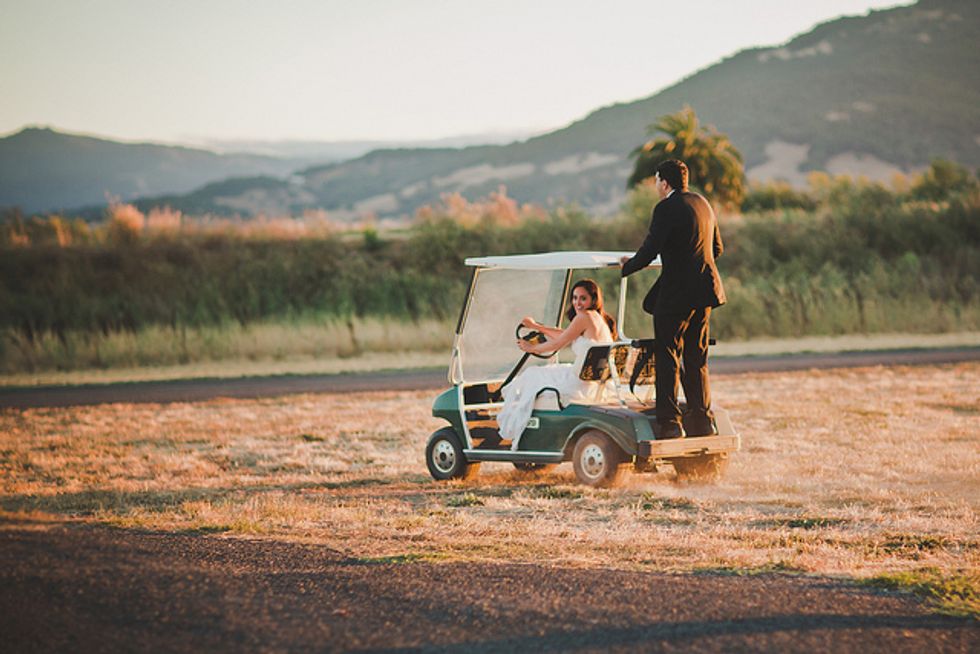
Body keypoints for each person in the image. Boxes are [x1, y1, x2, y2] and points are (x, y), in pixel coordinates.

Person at [620, 159, 726, 439]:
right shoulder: (703, 203)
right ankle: (701, 420)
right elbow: (717, 248)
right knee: (696, 357)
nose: (656, 186)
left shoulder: (666, 207)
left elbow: (649, 249)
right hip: (705, 292)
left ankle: (670, 424)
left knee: (667, 355)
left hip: (676, 295)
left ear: (664, 183)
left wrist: (626, 267)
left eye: (656, 181)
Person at [497, 279, 616, 450]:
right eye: (574, 298)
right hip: (591, 382)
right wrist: (537, 327)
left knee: (532, 373)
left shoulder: (584, 317)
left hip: (578, 384)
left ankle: (512, 428)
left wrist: (532, 347)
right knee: (545, 372)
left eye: (583, 298)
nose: (577, 303)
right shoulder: (599, 318)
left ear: (593, 299)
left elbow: (558, 343)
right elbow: (567, 334)